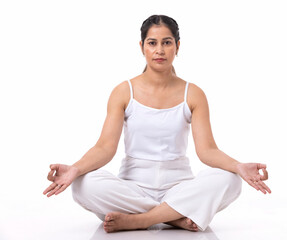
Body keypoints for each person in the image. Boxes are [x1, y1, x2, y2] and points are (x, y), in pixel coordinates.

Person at [43, 14, 271, 233]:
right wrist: (75, 169)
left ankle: (142, 220)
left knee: (231, 180)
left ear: (178, 47)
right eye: (152, 43)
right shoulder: (124, 91)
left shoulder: (193, 93)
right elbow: (104, 147)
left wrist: (239, 166)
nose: (159, 50)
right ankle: (174, 217)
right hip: (132, 189)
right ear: (142, 46)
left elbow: (207, 151)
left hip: (179, 187)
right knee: (83, 184)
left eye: (167, 43)